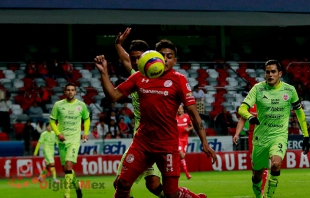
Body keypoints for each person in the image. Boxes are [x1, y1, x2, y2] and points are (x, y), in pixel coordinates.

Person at [95, 36, 216, 198]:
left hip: (166, 145)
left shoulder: (179, 80)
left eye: (169, 56)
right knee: (122, 183)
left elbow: (194, 115)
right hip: (142, 143)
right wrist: (104, 73)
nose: (165, 59)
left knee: (171, 193)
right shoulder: (139, 76)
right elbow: (113, 96)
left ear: (175, 60)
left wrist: (205, 142)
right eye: (161, 55)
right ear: (153, 56)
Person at [238, 60, 310, 198]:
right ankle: (260, 196)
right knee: (257, 177)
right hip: (260, 138)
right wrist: (249, 117)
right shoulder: (258, 88)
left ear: (280, 74)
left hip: (279, 136)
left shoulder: (290, 90)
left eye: (273, 72)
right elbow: (242, 108)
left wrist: (306, 135)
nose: (270, 74)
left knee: (276, 164)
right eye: (267, 72)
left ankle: (270, 196)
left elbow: (299, 112)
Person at [113, 28, 164, 198]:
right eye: (133, 59)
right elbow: (125, 58)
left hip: (153, 137)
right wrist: (118, 43)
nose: (135, 62)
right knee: (152, 184)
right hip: (140, 136)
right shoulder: (135, 76)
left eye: (139, 58)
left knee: (121, 182)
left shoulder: (157, 78)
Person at [50, 82, 90, 198]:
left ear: (75, 92)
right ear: (65, 92)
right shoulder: (58, 105)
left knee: (68, 166)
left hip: (74, 140)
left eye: (72, 90)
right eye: (68, 90)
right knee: (65, 169)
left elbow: (86, 119)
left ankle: (66, 195)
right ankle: (77, 186)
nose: (70, 92)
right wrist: (58, 133)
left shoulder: (81, 105)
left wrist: (86, 133)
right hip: (62, 141)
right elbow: (52, 121)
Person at [233, 103, 268, 195]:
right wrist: (237, 134)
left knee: (263, 164)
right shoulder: (250, 105)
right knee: (254, 166)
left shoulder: (268, 103)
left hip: (265, 136)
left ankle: (262, 191)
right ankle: (259, 188)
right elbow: (242, 119)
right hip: (252, 136)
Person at [176, 105, 194, 180]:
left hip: (185, 139)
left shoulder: (187, 117)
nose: (179, 110)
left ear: (183, 110)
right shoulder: (174, 117)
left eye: (180, 109)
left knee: (181, 157)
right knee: (182, 155)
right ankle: (187, 174)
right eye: (178, 109)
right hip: (177, 139)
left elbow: (192, 126)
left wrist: (189, 129)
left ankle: (178, 172)